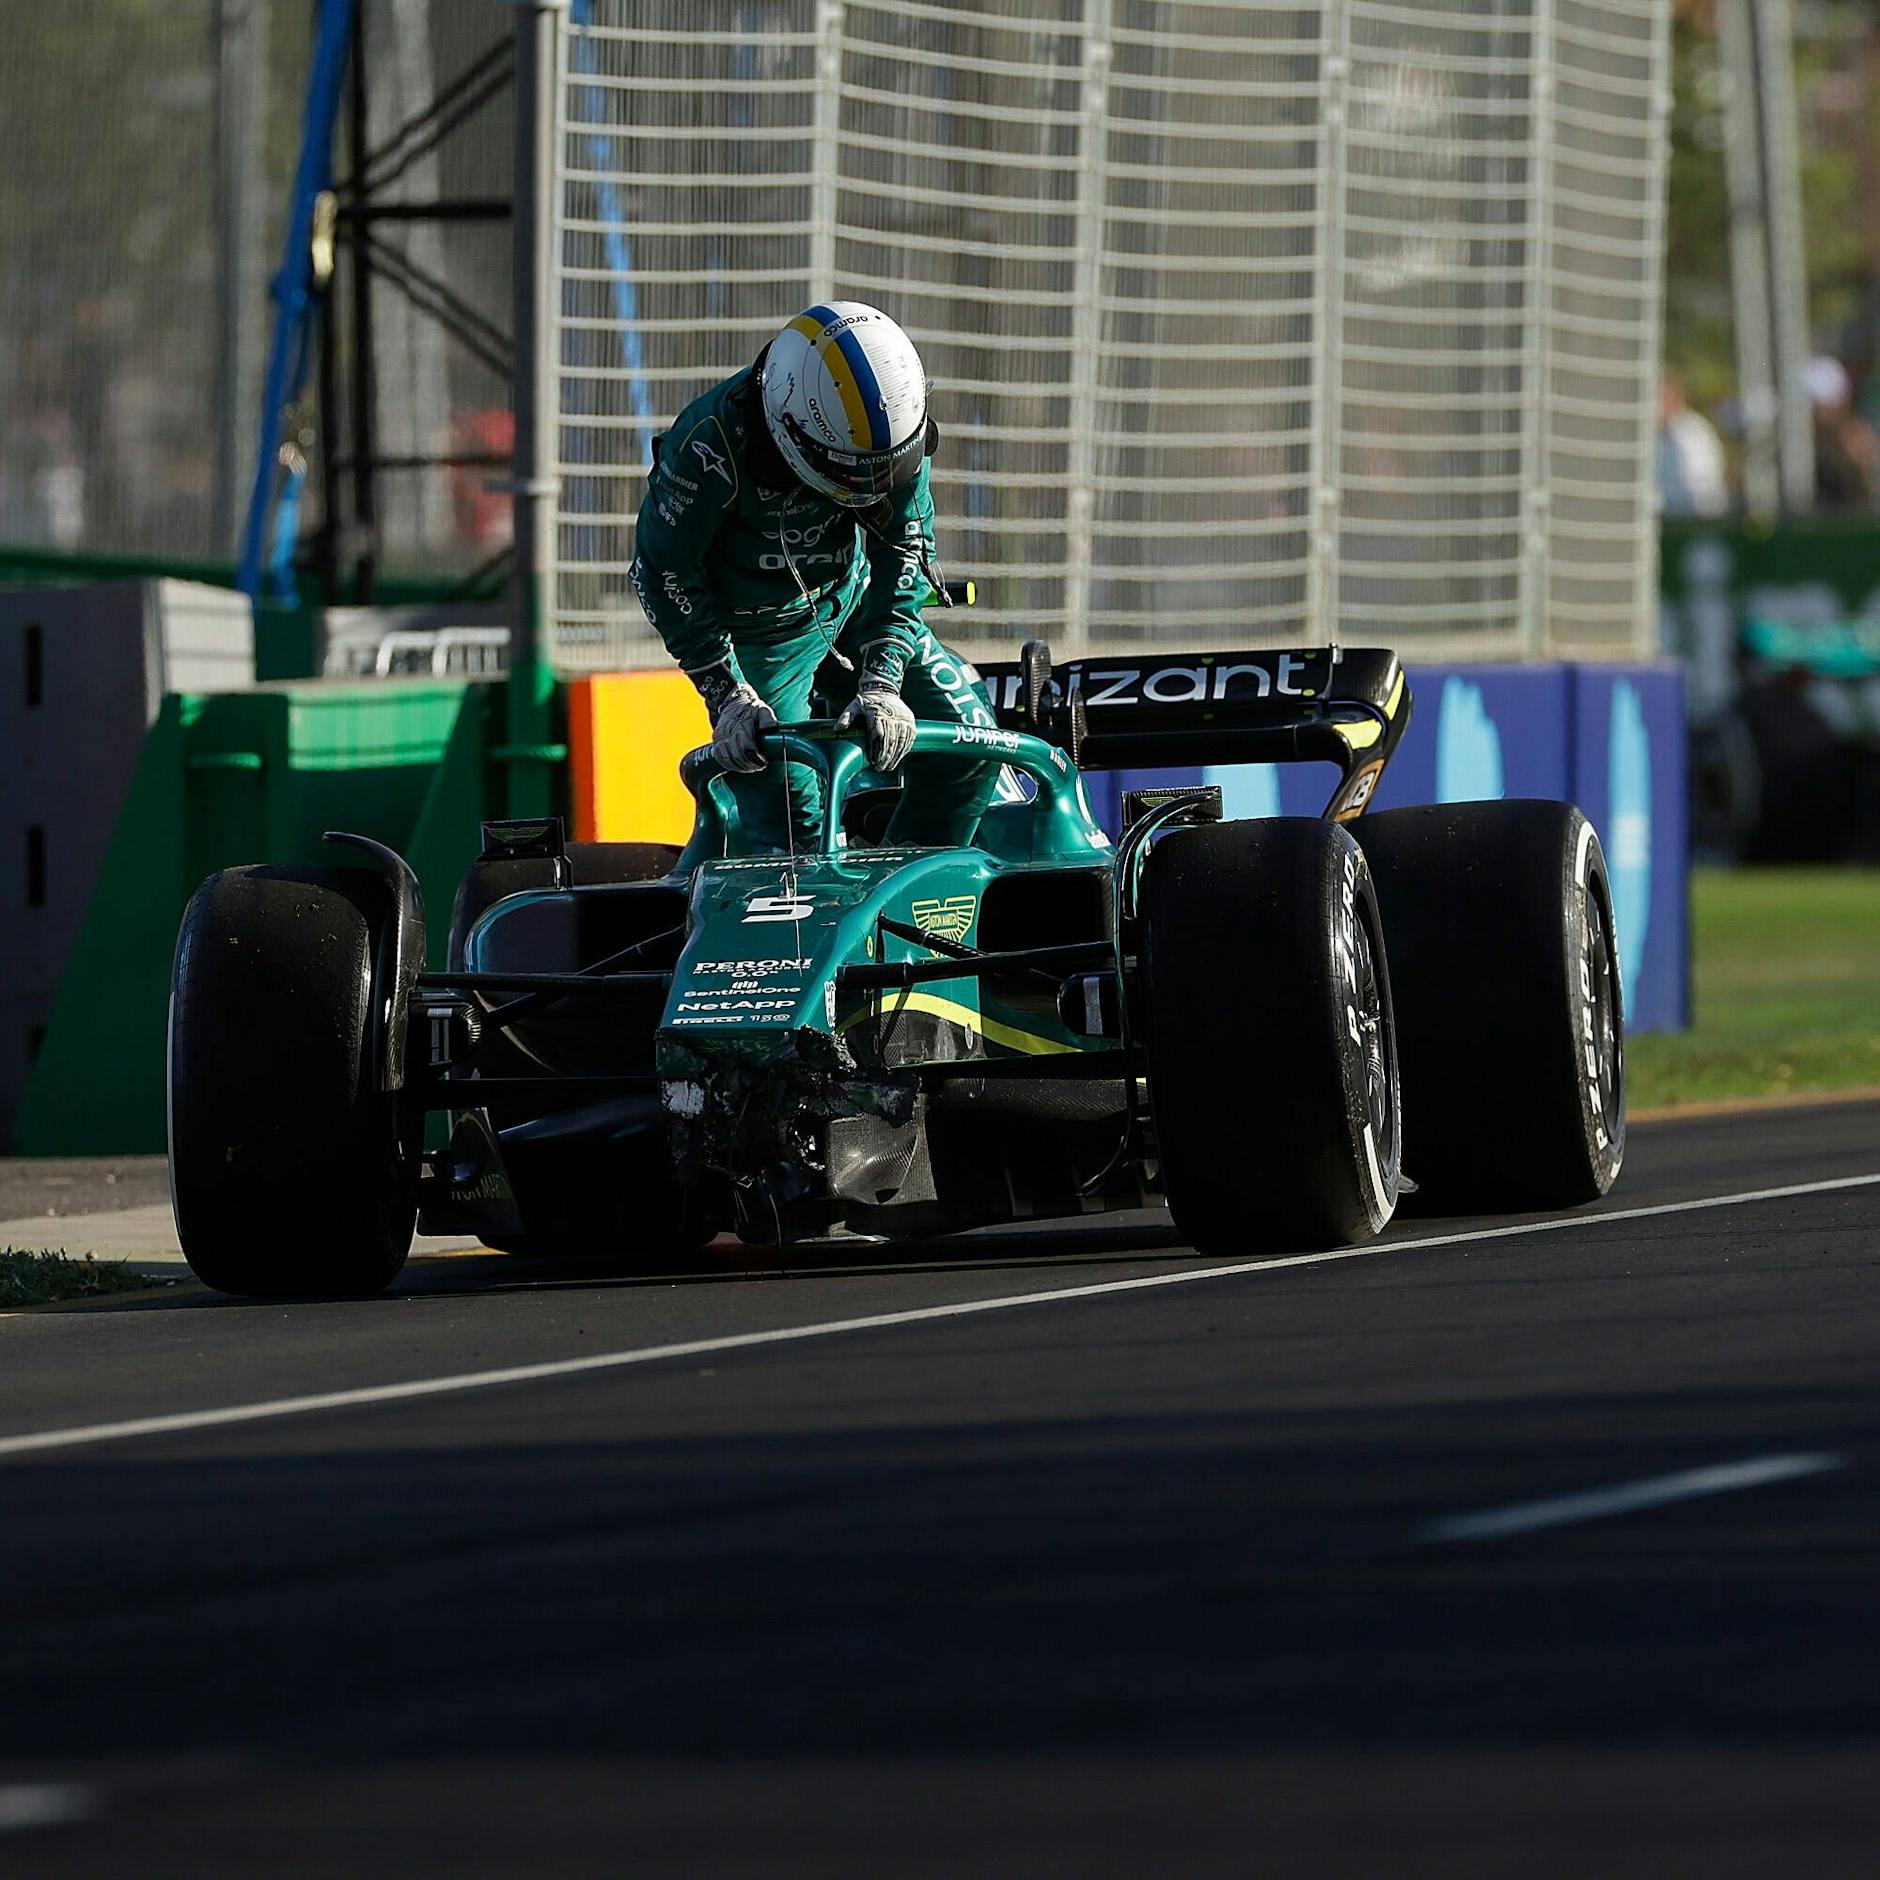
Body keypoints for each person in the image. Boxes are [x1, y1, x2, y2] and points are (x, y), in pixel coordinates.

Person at [629, 302, 1003, 851]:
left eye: (890, 466)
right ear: (790, 430)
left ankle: (910, 912)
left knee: (973, 746)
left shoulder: (897, 435)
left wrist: (882, 682)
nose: (877, 483)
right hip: (762, 639)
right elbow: (660, 574)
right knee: (792, 826)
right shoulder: (709, 446)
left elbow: (905, 549)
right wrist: (727, 694)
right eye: (858, 469)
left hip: (854, 605)